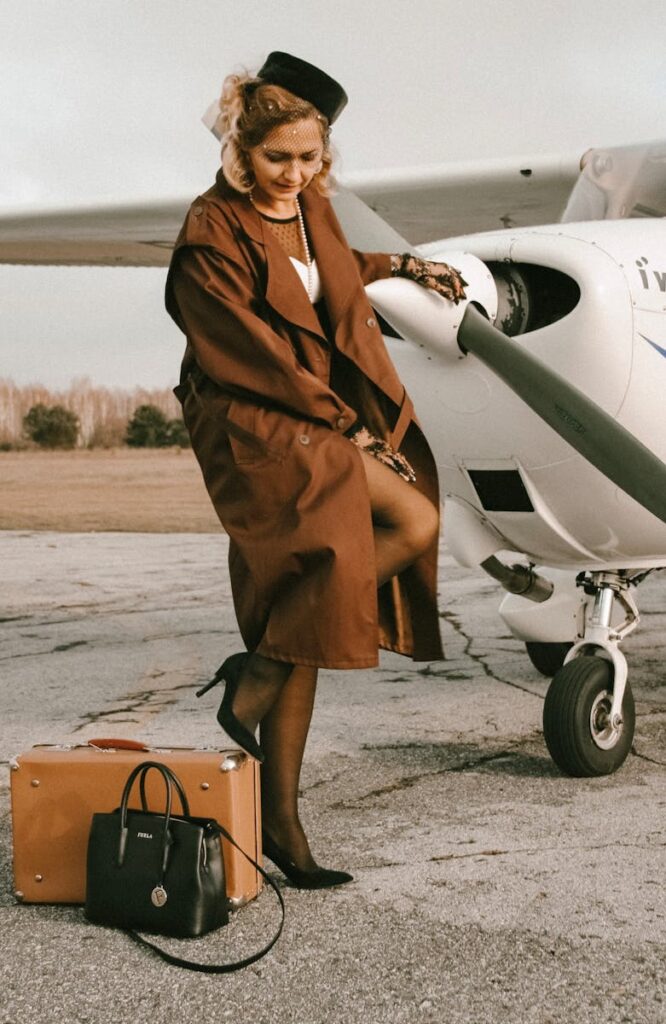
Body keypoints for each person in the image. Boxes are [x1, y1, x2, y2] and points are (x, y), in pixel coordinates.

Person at [165, 52, 466, 889]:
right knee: (410, 521)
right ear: (241, 149)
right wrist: (348, 426)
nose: (294, 174)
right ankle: (261, 682)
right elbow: (252, 353)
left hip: (312, 419)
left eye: (309, 158)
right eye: (277, 158)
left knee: (305, 613)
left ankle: (284, 820)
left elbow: (329, 272)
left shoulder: (311, 209)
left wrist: (402, 265)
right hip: (258, 427)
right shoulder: (210, 231)